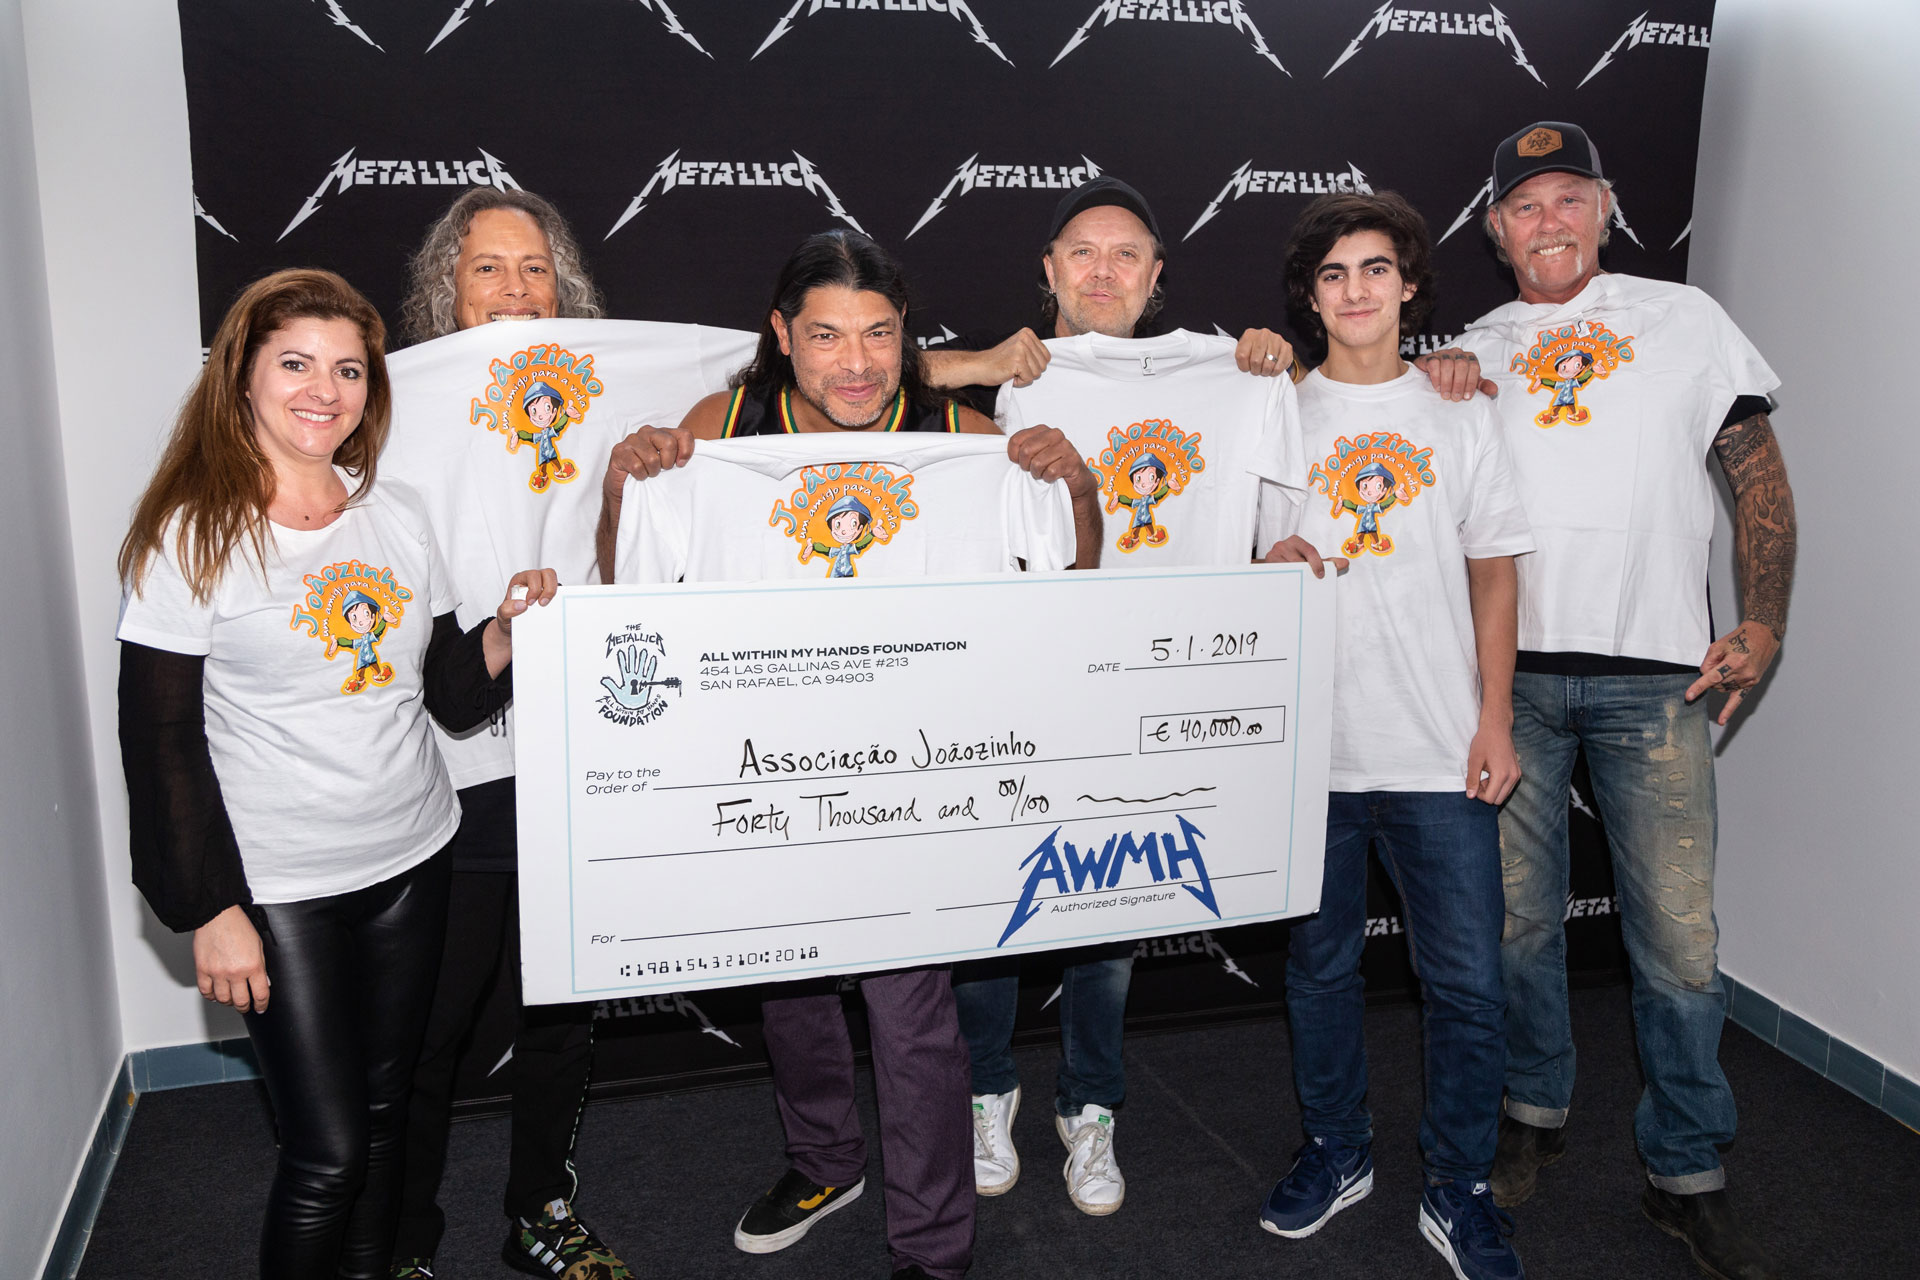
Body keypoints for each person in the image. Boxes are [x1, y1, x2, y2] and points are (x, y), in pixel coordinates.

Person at [603, 228, 1100, 1280]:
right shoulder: (722, 428)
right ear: (782, 335)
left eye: (878, 333)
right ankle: (826, 1160)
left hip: (912, 775)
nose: (858, 362)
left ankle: (933, 1250)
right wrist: (621, 491)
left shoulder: (965, 435)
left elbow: (1071, 597)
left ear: (906, 333)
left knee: (911, 1012)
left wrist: (1080, 491)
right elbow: (630, 603)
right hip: (766, 769)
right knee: (790, 991)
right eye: (827, 335)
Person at [115, 268, 554, 1279]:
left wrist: (502, 629)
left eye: (349, 369)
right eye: (297, 364)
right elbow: (160, 739)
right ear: (242, 375)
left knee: (389, 1112)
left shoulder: (395, 512)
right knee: (328, 1152)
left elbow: (446, 694)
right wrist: (210, 909)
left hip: (414, 856)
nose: (325, 390)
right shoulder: (192, 534)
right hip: (280, 888)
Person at [1457, 121, 1795, 1280]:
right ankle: (1531, 1107)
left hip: (1659, 678)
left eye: (1569, 198)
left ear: (1604, 208)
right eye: (1525, 205)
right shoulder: (1472, 350)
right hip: (1508, 682)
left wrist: (1764, 619)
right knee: (1517, 926)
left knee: (1680, 943)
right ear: (1495, 228)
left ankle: (1686, 1168)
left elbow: (1758, 477)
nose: (1547, 221)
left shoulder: (1685, 320)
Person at [1257, 192, 1534, 1280]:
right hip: (1310, 754)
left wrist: (1495, 717)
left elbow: (1495, 574)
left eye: (1377, 268)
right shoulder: (1272, 415)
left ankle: (1460, 1184)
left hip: (1438, 749)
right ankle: (1338, 1149)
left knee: (1467, 986)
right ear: (1311, 294)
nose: (1357, 289)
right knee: (1319, 972)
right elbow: (1235, 563)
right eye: (1334, 273)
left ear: (1410, 284)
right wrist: (1265, 563)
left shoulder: (1460, 412)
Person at [387, 187, 634, 1280]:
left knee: (562, 1010)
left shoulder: (612, 388)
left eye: (535, 267)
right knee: (435, 1021)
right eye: (487, 266)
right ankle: (399, 1239)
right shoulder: (392, 403)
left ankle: (541, 1207)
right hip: (457, 765)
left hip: (579, 750)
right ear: (447, 285)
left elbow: (761, 389)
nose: (516, 287)